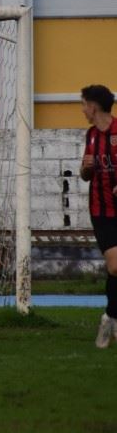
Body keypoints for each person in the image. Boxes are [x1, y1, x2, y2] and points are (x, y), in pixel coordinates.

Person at [79, 84, 117, 348]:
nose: (82, 110)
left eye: (83, 104)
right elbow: (85, 175)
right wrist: (85, 168)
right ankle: (111, 316)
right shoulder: (91, 135)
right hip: (101, 210)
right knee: (115, 267)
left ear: (94, 106)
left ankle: (110, 317)